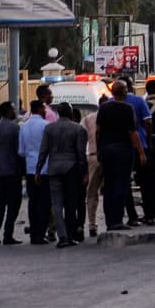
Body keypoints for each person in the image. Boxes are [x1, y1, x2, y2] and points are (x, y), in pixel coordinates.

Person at [37, 103, 88, 247]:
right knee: (71, 203)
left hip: (53, 168)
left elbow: (43, 151)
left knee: (57, 203)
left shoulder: (49, 128)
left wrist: (38, 169)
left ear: (58, 113)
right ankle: (70, 235)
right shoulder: (78, 129)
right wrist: (84, 172)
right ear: (71, 113)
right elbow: (81, 154)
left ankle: (63, 237)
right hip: (71, 168)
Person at [96, 81, 145, 231]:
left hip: (106, 151)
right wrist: (141, 152)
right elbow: (132, 132)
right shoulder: (127, 108)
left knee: (109, 185)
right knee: (121, 185)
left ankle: (110, 221)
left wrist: (99, 150)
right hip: (123, 151)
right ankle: (117, 220)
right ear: (124, 92)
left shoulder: (103, 108)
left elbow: (98, 131)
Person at [120, 76, 155, 226]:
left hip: (121, 147)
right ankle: (149, 215)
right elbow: (148, 122)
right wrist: (147, 138)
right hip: (140, 145)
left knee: (124, 183)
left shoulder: (110, 103)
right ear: (130, 87)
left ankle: (132, 216)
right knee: (146, 182)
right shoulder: (138, 101)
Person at [0, 101, 23, 245]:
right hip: (12, 171)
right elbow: (18, 151)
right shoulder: (15, 128)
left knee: (0, 205)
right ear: (8, 111)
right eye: (14, 109)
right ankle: (8, 234)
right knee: (14, 204)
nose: (15, 112)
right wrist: (22, 170)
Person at [19, 100, 52, 244]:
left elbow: (21, 151)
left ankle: (33, 232)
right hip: (45, 169)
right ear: (39, 109)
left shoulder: (24, 127)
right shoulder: (46, 126)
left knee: (33, 201)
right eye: (44, 108)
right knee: (45, 202)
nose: (45, 111)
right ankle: (41, 232)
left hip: (30, 169)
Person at [84, 95, 108, 238]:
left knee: (92, 193)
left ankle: (92, 224)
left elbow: (81, 138)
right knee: (112, 190)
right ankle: (112, 220)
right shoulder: (114, 117)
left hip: (93, 157)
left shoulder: (88, 119)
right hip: (110, 158)